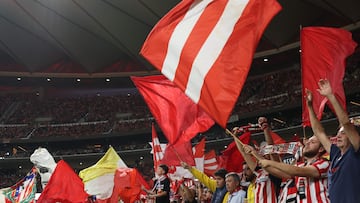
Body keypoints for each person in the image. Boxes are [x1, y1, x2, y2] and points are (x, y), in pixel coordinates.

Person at [305, 79, 360, 202]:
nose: (339, 136)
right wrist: (309, 106)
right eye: (338, 133)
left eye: (344, 133)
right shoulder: (335, 154)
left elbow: (345, 122)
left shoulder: (356, 152)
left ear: (352, 136)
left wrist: (330, 96)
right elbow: (319, 132)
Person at [259, 135, 330, 203]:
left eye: (313, 142)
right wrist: (255, 155)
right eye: (308, 141)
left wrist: (270, 163)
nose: (307, 143)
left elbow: (297, 171)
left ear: (321, 149)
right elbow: (278, 172)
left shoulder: (324, 163)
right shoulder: (301, 165)